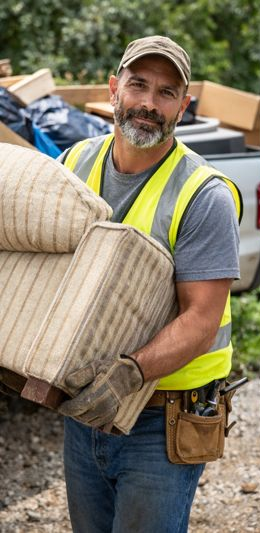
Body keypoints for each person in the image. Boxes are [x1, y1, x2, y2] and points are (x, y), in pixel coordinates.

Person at [58, 35, 242, 533]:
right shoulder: (74, 164)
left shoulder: (204, 195)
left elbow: (202, 320)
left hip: (163, 420)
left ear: (184, 106)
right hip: (84, 409)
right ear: (115, 89)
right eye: (138, 85)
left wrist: (128, 373)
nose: (148, 104)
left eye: (166, 93)